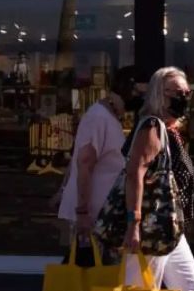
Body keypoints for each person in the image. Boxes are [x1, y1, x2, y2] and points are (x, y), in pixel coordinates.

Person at [123, 66, 194, 291]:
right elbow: (134, 174)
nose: (184, 98)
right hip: (151, 224)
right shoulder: (152, 127)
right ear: (160, 94)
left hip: (169, 225)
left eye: (187, 92)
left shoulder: (171, 131)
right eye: (177, 93)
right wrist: (133, 224)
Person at [57, 65, 144, 265]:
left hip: (102, 217)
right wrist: (83, 213)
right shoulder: (99, 118)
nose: (141, 99)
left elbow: (79, 160)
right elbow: (84, 163)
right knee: (92, 277)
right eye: (139, 92)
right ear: (127, 89)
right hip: (94, 218)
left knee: (96, 277)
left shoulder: (109, 117)